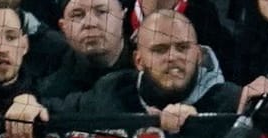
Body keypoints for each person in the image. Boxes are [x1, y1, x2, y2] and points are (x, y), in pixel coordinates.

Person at [56, 10, 240, 130]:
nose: (172, 57)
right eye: (159, 50)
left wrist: (198, 127)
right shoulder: (112, 90)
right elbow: (57, 111)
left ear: (199, 55)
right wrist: (29, 105)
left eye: (182, 48)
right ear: (139, 61)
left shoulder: (231, 102)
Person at [38, 0, 129, 103]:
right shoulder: (51, 93)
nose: (90, 23)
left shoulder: (146, 72)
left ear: (123, 16)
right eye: (77, 15)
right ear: (63, 27)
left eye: (101, 12)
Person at [0, 5, 47, 138]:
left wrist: (35, 103)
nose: (2, 49)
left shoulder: (47, 91)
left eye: (11, 37)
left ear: (24, 45)